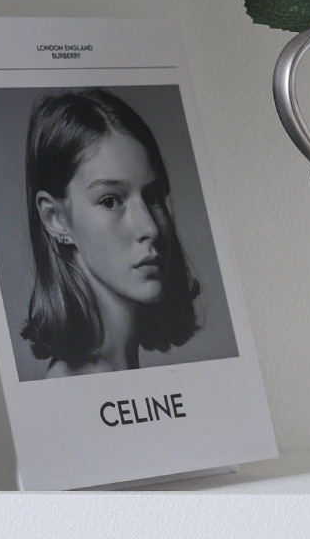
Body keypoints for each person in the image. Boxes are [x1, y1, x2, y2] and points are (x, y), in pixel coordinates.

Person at [21, 88, 200, 377]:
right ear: (56, 220)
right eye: (110, 201)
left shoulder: (117, 372)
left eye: (153, 197)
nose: (150, 228)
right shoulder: (73, 386)